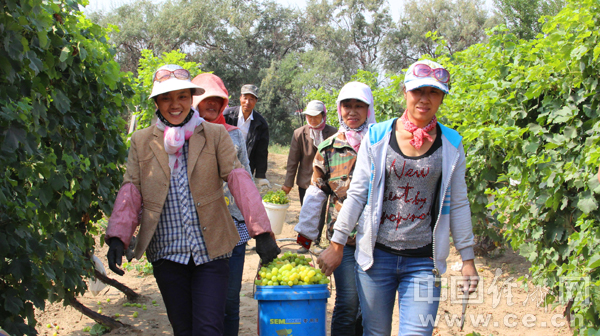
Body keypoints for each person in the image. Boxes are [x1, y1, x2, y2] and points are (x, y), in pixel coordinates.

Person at [105, 65, 279, 336]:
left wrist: (261, 230)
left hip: (211, 249)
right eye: (166, 98)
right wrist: (118, 235)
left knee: (209, 328)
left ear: (190, 99)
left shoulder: (214, 134)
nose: (175, 105)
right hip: (167, 251)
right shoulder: (141, 141)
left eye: (182, 97)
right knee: (183, 329)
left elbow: (238, 178)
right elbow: (132, 188)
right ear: (156, 103)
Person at [318, 60, 480, 335]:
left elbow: (459, 202)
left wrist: (468, 259)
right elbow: (357, 195)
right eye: (418, 91)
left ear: (441, 97)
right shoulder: (379, 136)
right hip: (376, 258)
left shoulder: (451, 144)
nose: (425, 100)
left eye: (434, 92)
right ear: (405, 92)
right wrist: (337, 244)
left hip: (423, 262)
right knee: (375, 332)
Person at [191, 73, 280, 336]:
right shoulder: (182, 135)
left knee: (229, 300)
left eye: (218, 100)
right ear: (195, 101)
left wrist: (261, 229)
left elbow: (244, 181)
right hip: (196, 229)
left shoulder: (233, 134)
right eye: (207, 99)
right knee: (200, 301)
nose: (213, 104)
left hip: (233, 225)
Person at [295, 82, 376, 335]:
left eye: (359, 106)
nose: (352, 112)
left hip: (378, 240)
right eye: (347, 106)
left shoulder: (381, 143)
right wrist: (305, 237)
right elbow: (317, 192)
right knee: (348, 304)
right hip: (344, 241)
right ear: (339, 109)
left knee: (370, 308)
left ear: (368, 108)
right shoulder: (329, 147)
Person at [283, 100, 337, 251]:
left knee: (320, 212)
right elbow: (292, 161)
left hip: (326, 180)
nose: (312, 120)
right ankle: (305, 243)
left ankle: (316, 242)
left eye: (316, 116)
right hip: (306, 180)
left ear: (323, 116)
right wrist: (288, 183)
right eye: (309, 116)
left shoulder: (333, 133)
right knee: (307, 211)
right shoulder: (299, 133)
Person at [223, 85, 270, 188]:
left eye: (251, 99)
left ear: (256, 101)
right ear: (240, 98)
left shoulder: (260, 124)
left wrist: (261, 176)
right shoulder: (226, 116)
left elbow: (261, 151)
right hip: (224, 164)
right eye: (245, 98)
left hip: (246, 165)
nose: (247, 102)